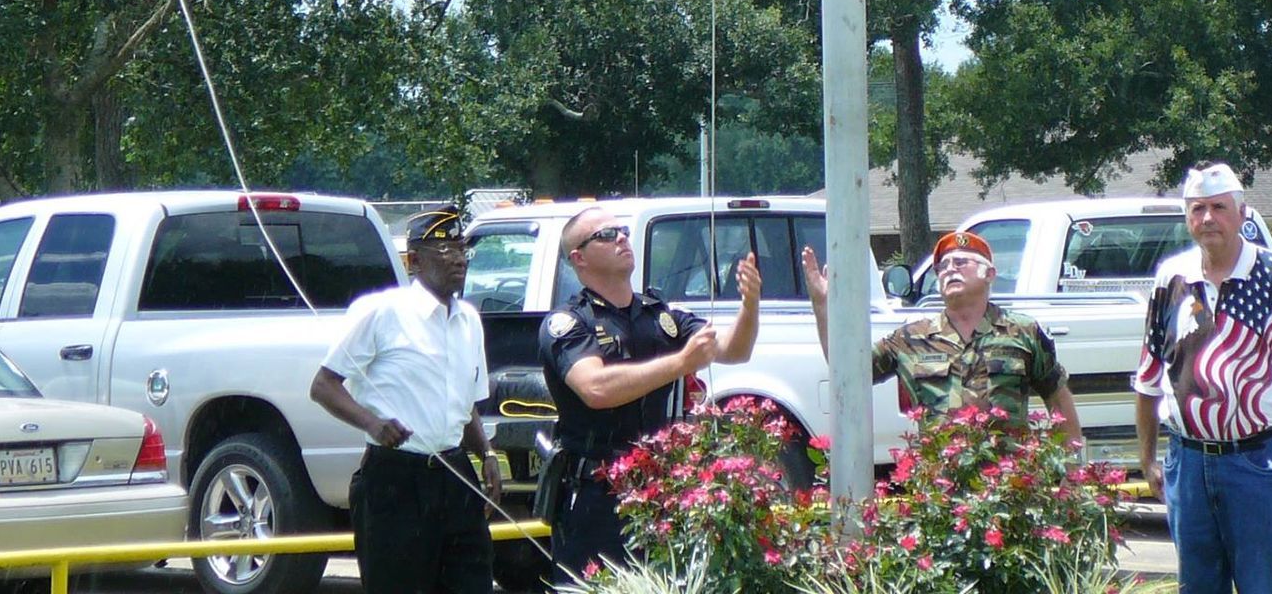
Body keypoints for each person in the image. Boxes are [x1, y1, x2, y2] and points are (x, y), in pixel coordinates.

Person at [1133, 162, 1272, 594]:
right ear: (1187, 217)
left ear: (1243, 213)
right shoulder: (1171, 279)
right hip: (1185, 461)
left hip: (1255, 462)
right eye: (1198, 209)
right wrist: (1148, 459)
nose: (1208, 218)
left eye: (1219, 207)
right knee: (1197, 585)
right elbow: (1149, 377)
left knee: (1261, 585)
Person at [539, 206, 761, 580]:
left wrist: (750, 304)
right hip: (597, 493)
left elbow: (735, 350)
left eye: (622, 231)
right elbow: (596, 388)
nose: (622, 238)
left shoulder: (662, 316)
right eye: (606, 236)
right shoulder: (569, 323)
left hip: (664, 489)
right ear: (578, 258)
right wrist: (680, 363)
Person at [310, 206, 503, 594]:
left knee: (472, 583)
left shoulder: (468, 320)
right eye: (445, 249)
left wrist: (486, 453)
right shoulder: (382, 313)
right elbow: (323, 386)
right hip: (396, 479)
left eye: (462, 248)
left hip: (454, 474)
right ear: (415, 260)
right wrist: (372, 423)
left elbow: (465, 405)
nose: (459, 258)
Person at [801, 231, 1083, 437]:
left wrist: (1069, 474)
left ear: (990, 274)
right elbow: (847, 371)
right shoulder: (911, 338)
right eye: (943, 267)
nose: (950, 270)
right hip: (941, 494)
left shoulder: (1023, 332)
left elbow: (1057, 399)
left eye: (961, 263)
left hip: (1009, 490)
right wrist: (822, 307)